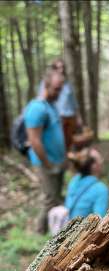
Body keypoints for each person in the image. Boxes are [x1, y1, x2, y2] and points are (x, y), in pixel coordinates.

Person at [24, 70, 66, 234]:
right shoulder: (36, 108)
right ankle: (39, 233)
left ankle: (54, 231)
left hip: (57, 160)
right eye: (56, 89)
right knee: (50, 199)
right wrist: (48, 164)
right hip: (46, 162)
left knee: (56, 197)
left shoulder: (52, 105)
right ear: (46, 86)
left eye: (61, 89)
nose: (59, 93)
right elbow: (34, 140)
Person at [39, 58, 78, 150]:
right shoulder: (46, 83)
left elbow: (73, 101)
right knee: (58, 141)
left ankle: (67, 158)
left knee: (69, 141)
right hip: (57, 116)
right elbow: (42, 98)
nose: (61, 69)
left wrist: (78, 117)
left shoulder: (67, 84)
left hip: (70, 116)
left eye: (63, 67)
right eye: (58, 67)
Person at [65, 148, 109, 219]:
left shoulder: (73, 181)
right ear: (93, 165)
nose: (102, 162)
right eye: (100, 159)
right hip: (85, 229)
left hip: (69, 228)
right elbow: (99, 220)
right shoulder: (100, 189)